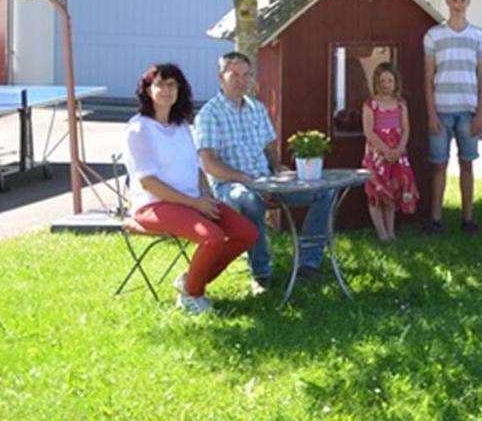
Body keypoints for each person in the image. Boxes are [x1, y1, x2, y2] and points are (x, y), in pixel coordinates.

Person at [123, 63, 258, 315]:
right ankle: (192, 297)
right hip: (154, 204)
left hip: (192, 200)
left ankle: (190, 281)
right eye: (160, 84)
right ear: (147, 90)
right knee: (212, 238)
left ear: (179, 90)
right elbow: (147, 182)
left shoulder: (183, 127)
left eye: (172, 85)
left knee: (246, 233)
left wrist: (206, 196)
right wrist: (194, 204)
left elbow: (197, 169)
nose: (166, 90)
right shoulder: (140, 128)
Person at [195, 52, 335, 292]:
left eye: (246, 75)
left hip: (267, 181)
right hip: (230, 186)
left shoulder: (257, 108)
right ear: (221, 78)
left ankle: (308, 263)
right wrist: (243, 179)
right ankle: (261, 274)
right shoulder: (209, 114)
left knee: (326, 192)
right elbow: (208, 163)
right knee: (249, 201)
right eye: (234, 75)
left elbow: (269, 148)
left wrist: (277, 167)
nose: (241, 81)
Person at [422, 0, 482, 234]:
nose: (458, 4)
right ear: (447, 1)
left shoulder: (479, 36)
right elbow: (428, 77)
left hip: (468, 109)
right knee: (438, 165)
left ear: (469, 1)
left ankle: (468, 218)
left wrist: (481, 113)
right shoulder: (433, 36)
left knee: (467, 163)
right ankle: (436, 218)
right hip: (441, 109)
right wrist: (430, 113)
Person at [362, 62, 417, 240]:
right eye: (382, 81)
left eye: (389, 81)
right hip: (377, 154)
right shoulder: (370, 104)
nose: (386, 85)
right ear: (376, 83)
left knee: (392, 191)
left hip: (397, 154)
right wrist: (385, 150)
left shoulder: (400, 104)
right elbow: (368, 131)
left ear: (396, 83)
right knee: (376, 191)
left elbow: (406, 128)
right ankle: (381, 232)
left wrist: (399, 149)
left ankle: (391, 232)